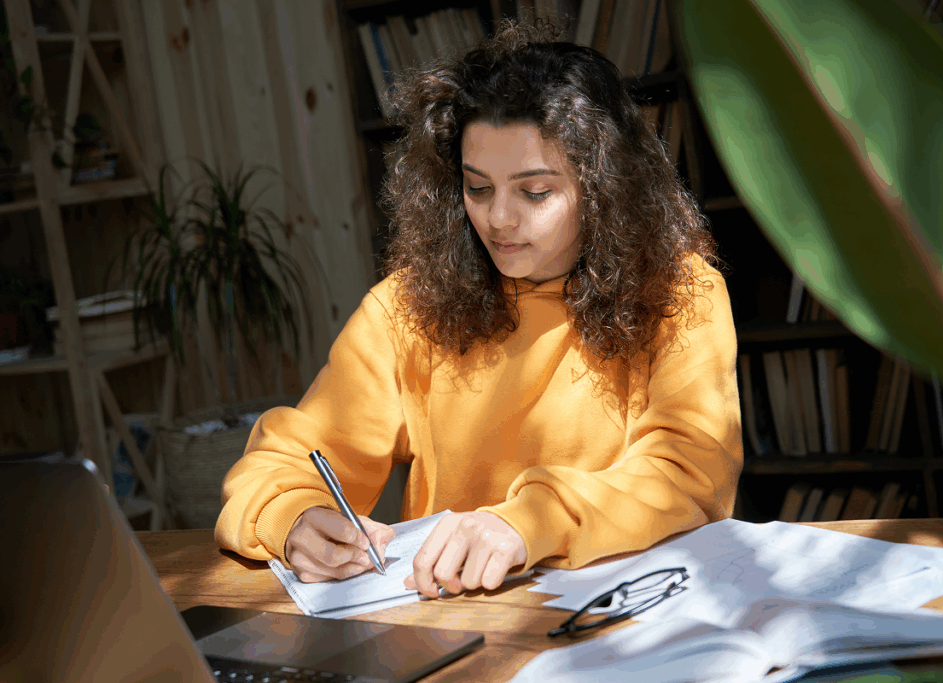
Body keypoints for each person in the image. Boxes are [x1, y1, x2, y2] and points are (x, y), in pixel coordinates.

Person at [215, 21, 743, 599]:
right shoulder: (405, 307)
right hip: (453, 619)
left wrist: (528, 522)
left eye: (534, 192)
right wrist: (293, 516)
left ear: (605, 186)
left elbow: (689, 474)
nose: (499, 219)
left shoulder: (679, 292)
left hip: (626, 617)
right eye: (478, 188)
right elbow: (287, 458)